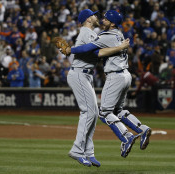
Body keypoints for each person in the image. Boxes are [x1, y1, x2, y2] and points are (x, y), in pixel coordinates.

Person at [65, 10, 152, 159]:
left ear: (112, 23)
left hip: (115, 76)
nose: (102, 20)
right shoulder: (119, 34)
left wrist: (70, 49)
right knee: (118, 111)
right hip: (125, 75)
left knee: (104, 113)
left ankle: (126, 137)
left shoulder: (107, 35)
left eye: (106, 19)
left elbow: (89, 49)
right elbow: (98, 51)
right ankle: (142, 129)